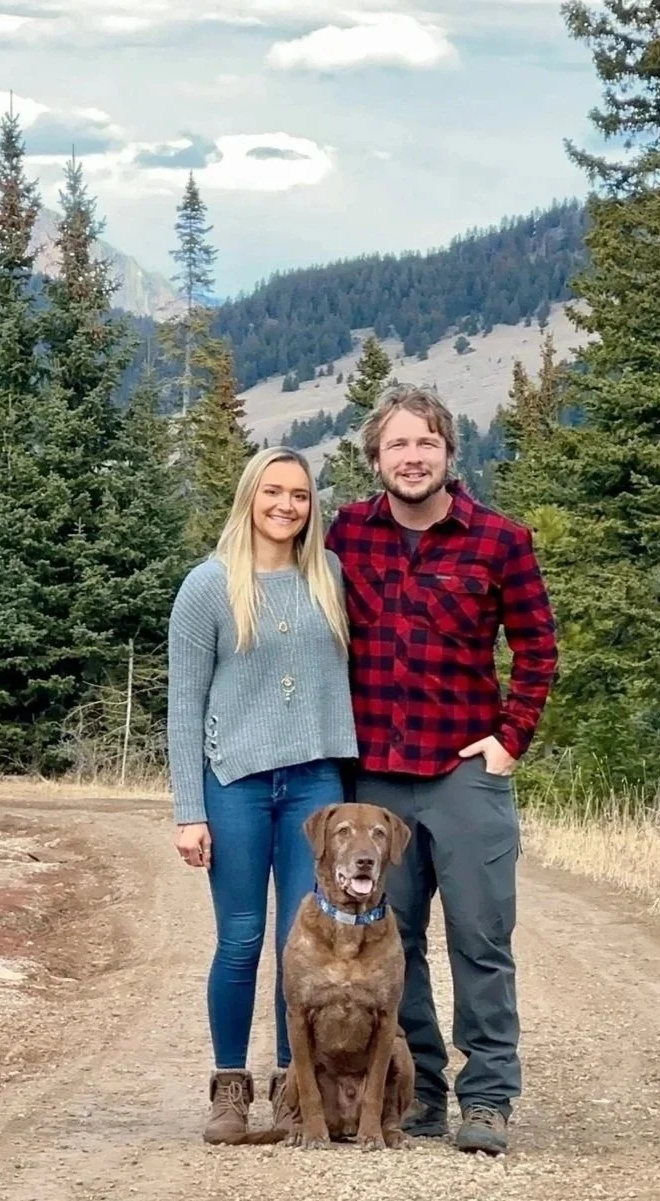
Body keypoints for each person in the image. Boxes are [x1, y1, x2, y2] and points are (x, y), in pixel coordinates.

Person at [331, 386, 556, 1156]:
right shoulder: (346, 536)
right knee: (393, 940)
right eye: (396, 445)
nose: (411, 457)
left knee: (480, 936)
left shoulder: (500, 540)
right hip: (375, 778)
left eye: (424, 443)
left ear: (448, 452)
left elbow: (537, 649)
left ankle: (487, 1096)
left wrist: (508, 740)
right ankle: (418, 1088)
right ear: (376, 459)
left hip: (464, 770)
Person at [168, 447, 357, 1145]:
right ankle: (227, 1089)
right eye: (272, 491)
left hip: (313, 782)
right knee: (242, 937)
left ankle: (292, 1088)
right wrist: (188, 809)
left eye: (300, 495)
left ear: (312, 506)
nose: (285, 505)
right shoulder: (208, 586)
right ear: (249, 495)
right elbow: (183, 705)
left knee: (297, 944)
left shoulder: (328, 576)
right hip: (236, 783)